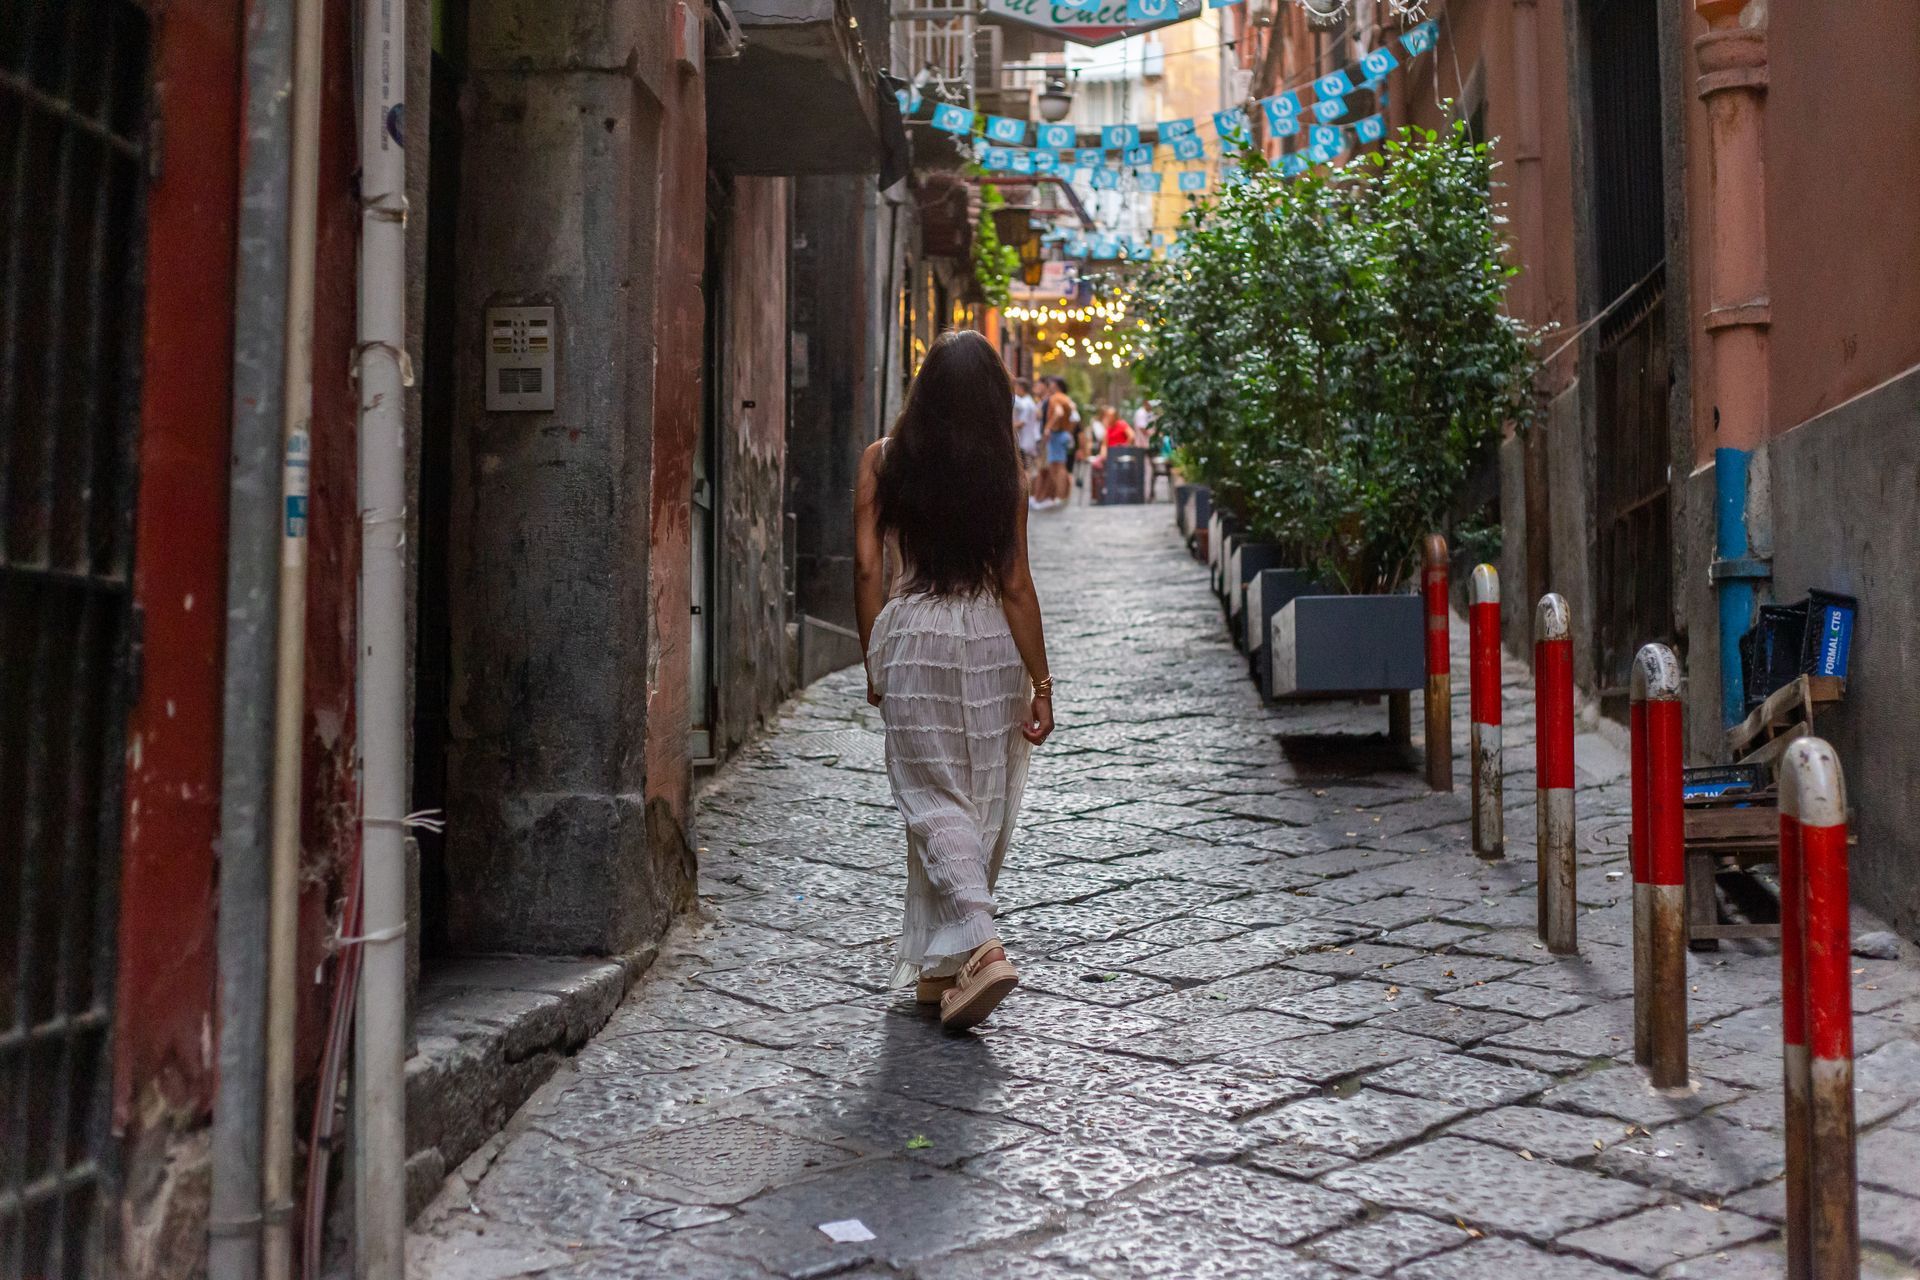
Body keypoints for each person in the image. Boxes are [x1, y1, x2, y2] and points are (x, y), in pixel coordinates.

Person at [854, 330, 1056, 1031]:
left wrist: (874, 655)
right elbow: (1016, 585)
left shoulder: (882, 462)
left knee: (932, 801)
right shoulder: (1008, 479)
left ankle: (980, 943)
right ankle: (944, 969)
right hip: (991, 642)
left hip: (916, 638)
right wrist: (1042, 682)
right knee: (976, 801)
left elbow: (867, 568)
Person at [1039, 376, 1075, 509]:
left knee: (1057, 467)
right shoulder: (1066, 398)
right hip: (1063, 434)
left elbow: (1058, 413)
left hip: (1057, 434)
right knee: (1060, 466)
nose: (1050, 385)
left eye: (1052, 383)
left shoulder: (1056, 398)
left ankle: (1060, 497)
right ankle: (1063, 496)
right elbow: (1074, 417)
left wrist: (1048, 428)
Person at [1012, 377, 1042, 493]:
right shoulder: (1029, 402)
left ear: (1021, 388)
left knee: (1025, 469)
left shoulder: (1025, 403)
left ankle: (1025, 494)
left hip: (1024, 441)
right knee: (1028, 468)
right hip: (1028, 440)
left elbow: (1022, 423)